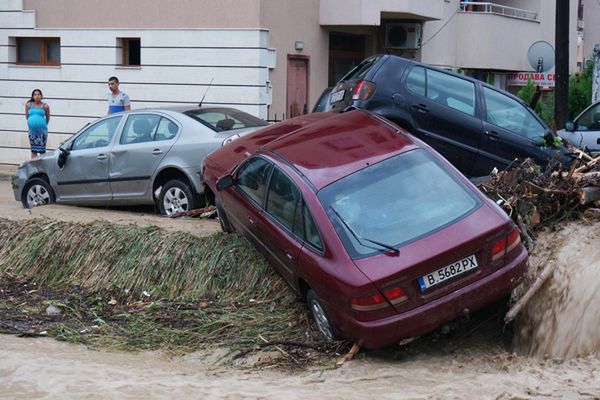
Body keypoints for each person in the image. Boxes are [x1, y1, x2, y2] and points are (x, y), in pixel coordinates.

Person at [25, 89, 50, 159]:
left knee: (42, 151)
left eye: (38, 94)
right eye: (35, 94)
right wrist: (32, 124)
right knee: (33, 150)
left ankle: (41, 168)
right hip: (32, 132)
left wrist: (42, 125)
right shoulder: (28, 105)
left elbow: (48, 118)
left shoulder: (45, 106)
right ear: (32, 96)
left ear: (41, 96)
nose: (37, 96)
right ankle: (34, 168)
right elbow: (27, 117)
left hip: (42, 132)